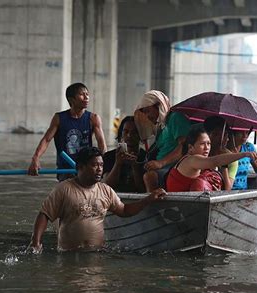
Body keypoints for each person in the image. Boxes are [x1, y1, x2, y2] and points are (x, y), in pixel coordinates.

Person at [27, 147, 166, 253]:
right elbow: (44, 215)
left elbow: (124, 210)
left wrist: (148, 199)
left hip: (96, 254)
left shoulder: (105, 190)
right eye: (95, 165)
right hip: (68, 254)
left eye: (101, 165)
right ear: (80, 167)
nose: (100, 169)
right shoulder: (64, 189)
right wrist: (36, 243)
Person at [28, 82, 107, 181]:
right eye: (82, 94)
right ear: (71, 99)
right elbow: (46, 140)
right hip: (65, 169)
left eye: (87, 94)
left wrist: (103, 166)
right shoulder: (59, 118)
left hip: (86, 169)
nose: (86, 97)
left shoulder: (93, 118)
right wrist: (36, 158)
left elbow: (102, 145)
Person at [166, 126, 257, 192]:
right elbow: (215, 161)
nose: (207, 147)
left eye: (209, 144)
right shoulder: (191, 160)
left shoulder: (201, 164)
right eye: (202, 144)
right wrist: (245, 154)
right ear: (190, 148)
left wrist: (212, 188)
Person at [133, 90, 191, 192]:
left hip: (175, 168)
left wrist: (161, 163)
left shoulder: (176, 118)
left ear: (159, 106)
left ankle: (153, 207)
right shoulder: (162, 126)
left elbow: (184, 146)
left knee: (149, 177)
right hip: (163, 168)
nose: (147, 116)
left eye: (148, 111)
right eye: (144, 112)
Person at [102, 116, 146, 193]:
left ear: (141, 135)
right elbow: (107, 187)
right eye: (126, 131)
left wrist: (135, 166)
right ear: (121, 134)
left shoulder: (146, 157)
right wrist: (117, 164)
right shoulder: (109, 156)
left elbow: (143, 190)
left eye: (134, 132)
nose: (129, 135)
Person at [203, 116, 238, 190]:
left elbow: (228, 189)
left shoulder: (231, 159)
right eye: (216, 134)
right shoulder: (200, 152)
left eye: (225, 135)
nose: (222, 138)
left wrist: (224, 164)